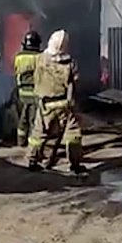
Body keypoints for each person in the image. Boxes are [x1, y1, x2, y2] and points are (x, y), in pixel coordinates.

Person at [26, 30, 85, 174]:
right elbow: (75, 83)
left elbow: (34, 76)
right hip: (66, 105)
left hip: (45, 104)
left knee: (39, 134)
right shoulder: (71, 63)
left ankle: (32, 161)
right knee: (73, 135)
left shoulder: (40, 59)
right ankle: (74, 165)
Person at [11, 30, 42, 147]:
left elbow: (16, 71)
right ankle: (32, 146)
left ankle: (20, 142)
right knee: (34, 121)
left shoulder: (19, 56)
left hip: (22, 93)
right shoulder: (40, 57)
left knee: (22, 119)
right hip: (35, 93)